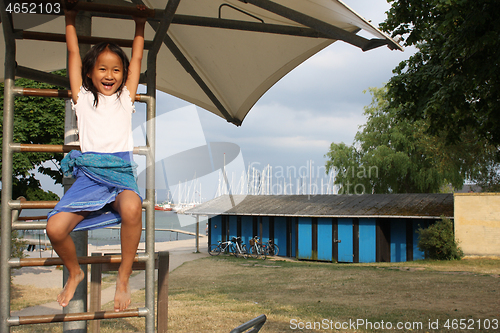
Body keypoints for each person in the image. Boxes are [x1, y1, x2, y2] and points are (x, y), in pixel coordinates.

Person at [46, 3, 147, 312]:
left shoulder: (125, 98)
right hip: (90, 175)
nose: (109, 75)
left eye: (116, 70)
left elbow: (138, 58)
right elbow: (74, 56)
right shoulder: (83, 99)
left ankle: (124, 277)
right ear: (90, 73)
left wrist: (140, 25)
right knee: (55, 228)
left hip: (119, 171)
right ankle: (75, 272)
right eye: (102, 69)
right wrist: (70, 19)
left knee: (133, 207)